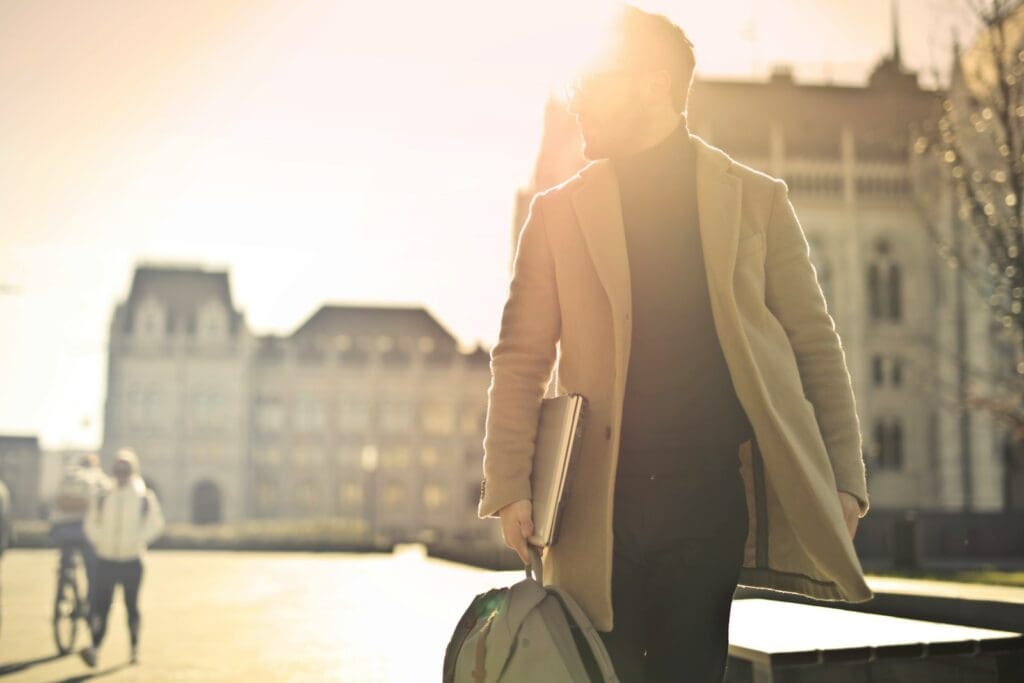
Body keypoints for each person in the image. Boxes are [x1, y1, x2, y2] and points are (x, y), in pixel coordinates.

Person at [477, 5, 871, 681]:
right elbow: (519, 356)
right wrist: (510, 484)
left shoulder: (759, 200)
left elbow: (815, 346)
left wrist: (846, 481)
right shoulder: (556, 213)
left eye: (593, 84)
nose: (579, 103)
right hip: (596, 510)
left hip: (707, 503)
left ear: (654, 85)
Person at [80, 449, 164, 668]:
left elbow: (156, 524)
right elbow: (91, 523)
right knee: (101, 607)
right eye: (118, 469)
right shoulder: (103, 495)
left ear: (133, 471)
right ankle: (95, 649)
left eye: (125, 469)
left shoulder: (144, 496)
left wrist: (137, 540)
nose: (121, 473)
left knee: (131, 606)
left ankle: (134, 648)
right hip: (106, 559)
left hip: (132, 560)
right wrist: (100, 541)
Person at [50, 453, 109, 610]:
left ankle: (64, 579)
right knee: (92, 566)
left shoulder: (68, 476)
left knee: (66, 557)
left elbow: (55, 500)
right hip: (85, 530)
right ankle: (90, 603)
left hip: (62, 529)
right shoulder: (100, 478)